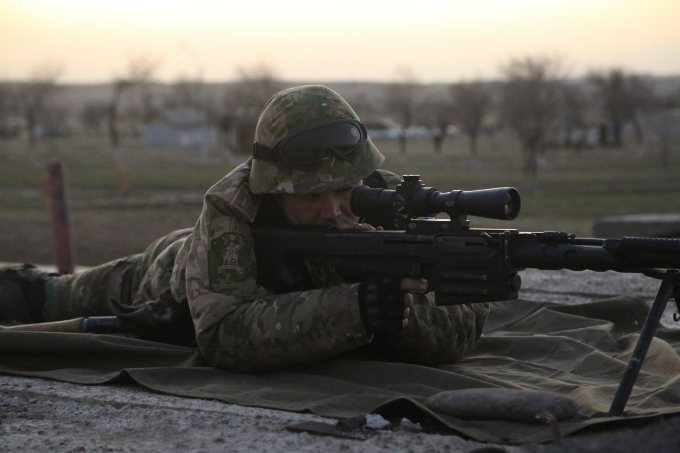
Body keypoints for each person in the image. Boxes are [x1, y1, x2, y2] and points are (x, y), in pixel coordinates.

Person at [0, 85, 490, 372]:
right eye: (312, 197)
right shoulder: (232, 207)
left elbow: (465, 324)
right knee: (52, 296)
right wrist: (354, 308)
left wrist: (401, 316)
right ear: (275, 189)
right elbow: (221, 335)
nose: (336, 211)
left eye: (347, 191)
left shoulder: (387, 199)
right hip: (166, 278)